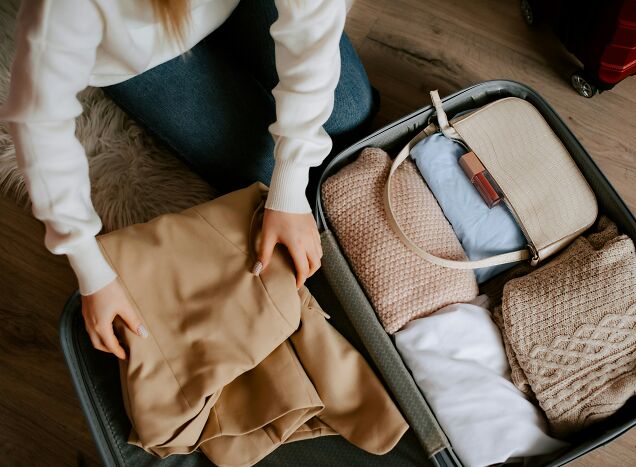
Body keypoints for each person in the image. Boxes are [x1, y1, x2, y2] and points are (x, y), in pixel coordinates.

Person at [0, 0, 375, 359]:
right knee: (261, 169)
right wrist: (91, 268)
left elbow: (314, 20)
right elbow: (38, 124)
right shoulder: (64, 10)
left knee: (347, 113)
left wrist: (290, 184)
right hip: (137, 58)